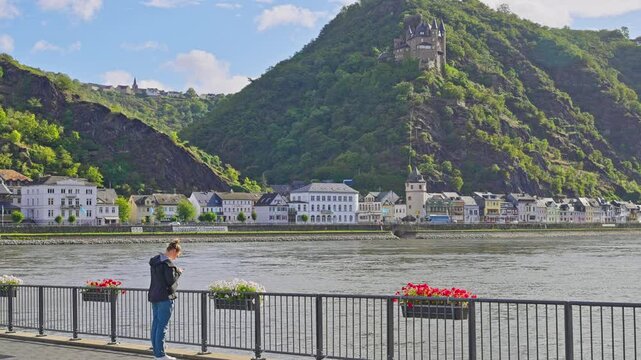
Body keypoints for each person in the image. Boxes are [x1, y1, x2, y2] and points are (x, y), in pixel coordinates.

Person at [149, 239, 183, 360]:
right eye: (177, 255)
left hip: (154, 295)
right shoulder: (168, 264)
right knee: (162, 326)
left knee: (156, 325)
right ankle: (161, 355)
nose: (176, 258)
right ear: (173, 251)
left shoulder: (155, 260)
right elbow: (170, 281)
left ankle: (157, 353)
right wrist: (178, 272)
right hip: (165, 297)